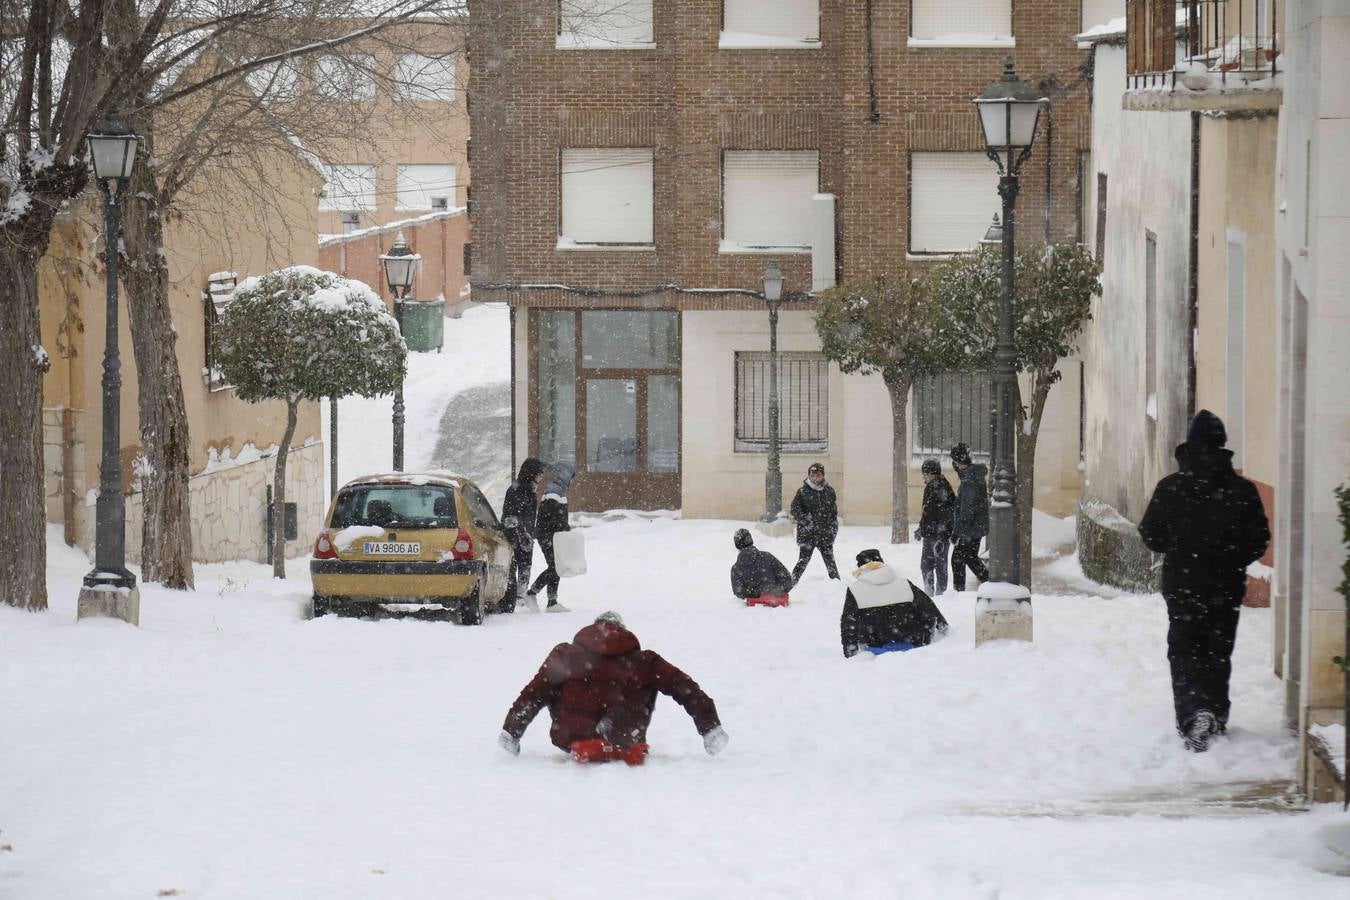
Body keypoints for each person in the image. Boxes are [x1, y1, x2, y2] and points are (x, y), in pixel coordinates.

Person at [1138, 409, 1270, 753]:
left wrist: (1180, 549)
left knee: (1184, 649)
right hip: (1225, 585)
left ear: (1190, 446)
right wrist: (1230, 558)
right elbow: (1259, 538)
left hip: (1183, 583)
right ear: (1222, 445)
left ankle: (1193, 712)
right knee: (1218, 649)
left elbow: (1150, 535)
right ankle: (1214, 710)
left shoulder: (1171, 487)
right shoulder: (1242, 490)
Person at [498, 611, 729, 764]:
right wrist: (710, 727)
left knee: (555, 688)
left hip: (574, 737)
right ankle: (616, 730)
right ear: (623, 631)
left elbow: (534, 694)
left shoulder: (566, 655)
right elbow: (685, 689)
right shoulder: (644, 661)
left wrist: (511, 732)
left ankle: (587, 729)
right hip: (627, 739)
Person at [841, 549, 949, 658]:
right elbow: (928, 609)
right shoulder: (904, 583)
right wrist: (940, 631)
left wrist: (850, 653)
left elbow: (849, 623)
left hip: (875, 644)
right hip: (911, 640)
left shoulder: (855, 590)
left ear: (860, 567)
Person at [525, 461, 574, 613]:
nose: (572, 480)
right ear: (565, 475)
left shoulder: (559, 491)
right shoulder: (554, 491)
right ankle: (532, 593)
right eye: (571, 477)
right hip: (547, 535)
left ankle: (552, 602)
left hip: (554, 535)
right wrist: (563, 527)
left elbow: (557, 517)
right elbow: (549, 516)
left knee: (556, 566)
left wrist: (563, 528)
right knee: (555, 567)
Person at [502, 457, 545, 603]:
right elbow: (509, 517)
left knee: (525, 565)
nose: (542, 476)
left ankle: (520, 596)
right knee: (512, 566)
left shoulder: (530, 491)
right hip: (513, 537)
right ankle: (511, 596)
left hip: (526, 537)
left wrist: (532, 532)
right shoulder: (515, 491)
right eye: (540, 473)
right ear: (532, 473)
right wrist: (522, 533)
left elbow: (529, 516)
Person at [790, 462, 840, 584]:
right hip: (808, 534)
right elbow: (794, 509)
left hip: (825, 533)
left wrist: (833, 529)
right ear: (809, 476)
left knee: (830, 563)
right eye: (813, 475)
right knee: (802, 561)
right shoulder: (802, 492)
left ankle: (837, 586)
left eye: (818, 475)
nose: (815, 478)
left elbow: (833, 513)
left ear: (822, 476)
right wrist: (806, 520)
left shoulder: (829, 491)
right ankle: (790, 584)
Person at [949, 443, 989, 592]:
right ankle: (988, 581)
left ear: (959, 462)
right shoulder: (973, 475)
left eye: (955, 461)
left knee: (957, 560)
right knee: (970, 557)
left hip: (969, 528)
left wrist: (958, 532)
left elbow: (967, 508)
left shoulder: (969, 480)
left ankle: (959, 593)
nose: (954, 465)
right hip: (976, 527)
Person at [914, 458, 956, 596]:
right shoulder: (932, 486)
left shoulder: (941, 488)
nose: (923, 478)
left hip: (938, 536)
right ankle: (930, 594)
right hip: (930, 534)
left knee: (939, 566)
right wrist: (922, 527)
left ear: (931, 474)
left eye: (925, 474)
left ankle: (940, 595)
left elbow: (946, 515)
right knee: (927, 565)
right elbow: (928, 512)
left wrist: (940, 537)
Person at [730, 529, 793, 606]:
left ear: (737, 545)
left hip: (753, 612)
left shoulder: (736, 569)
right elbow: (787, 581)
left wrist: (755, 593)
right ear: (751, 540)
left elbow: (739, 592)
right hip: (778, 610)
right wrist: (775, 590)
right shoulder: (768, 557)